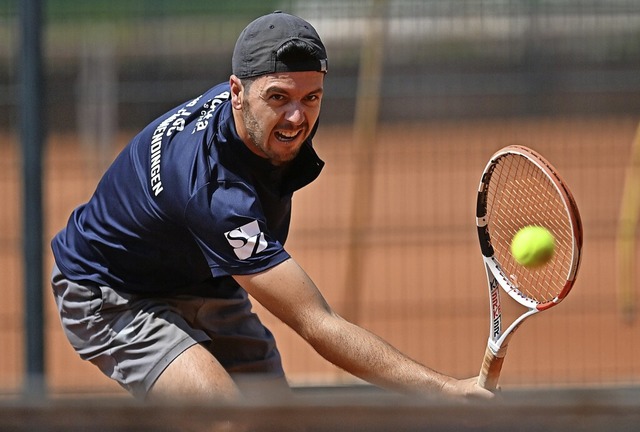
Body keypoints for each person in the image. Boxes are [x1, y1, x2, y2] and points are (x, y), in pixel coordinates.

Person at [50, 11, 494, 403]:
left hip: (202, 277)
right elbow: (316, 323)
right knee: (224, 419)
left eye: (311, 98)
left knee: (274, 420)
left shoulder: (251, 117)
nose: (297, 118)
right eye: (279, 97)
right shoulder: (214, 192)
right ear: (237, 91)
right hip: (112, 291)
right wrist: (442, 389)